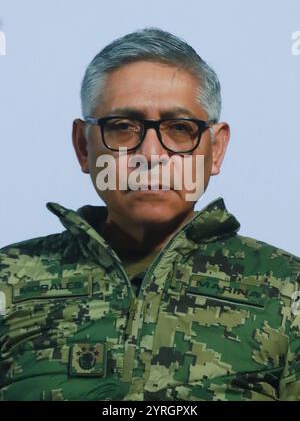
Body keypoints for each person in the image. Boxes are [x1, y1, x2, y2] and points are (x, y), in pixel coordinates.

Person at [1, 27, 300, 401]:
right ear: (83, 146)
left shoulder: (289, 290)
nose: (152, 155)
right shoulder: (7, 281)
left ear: (217, 149)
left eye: (179, 128)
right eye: (123, 127)